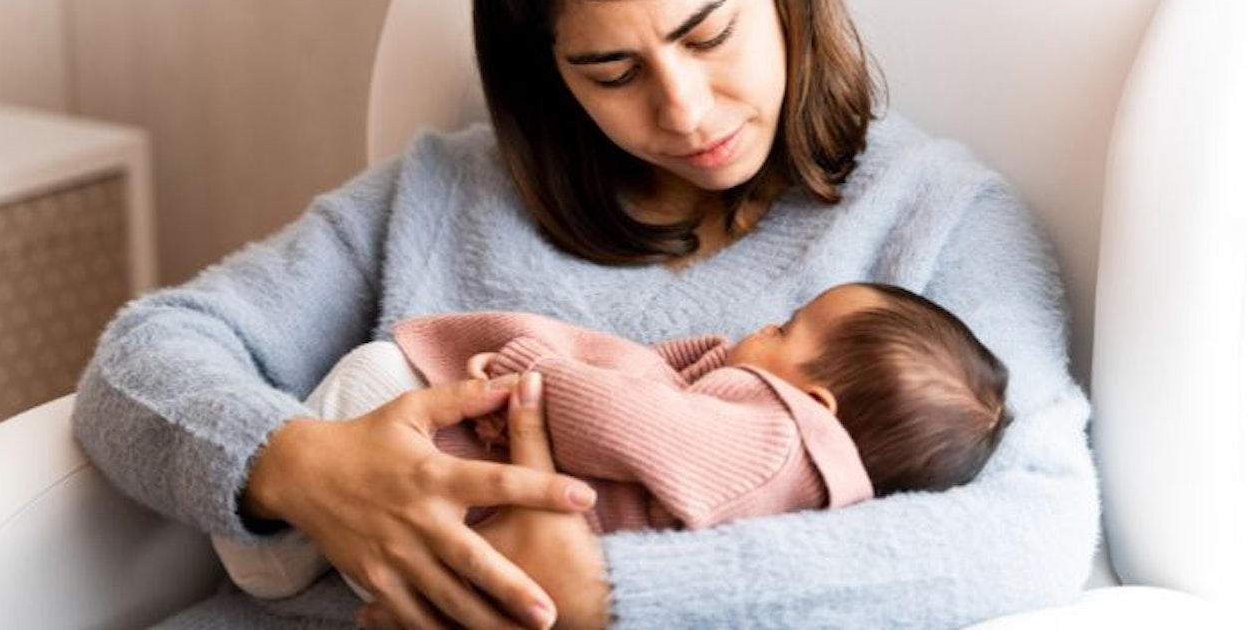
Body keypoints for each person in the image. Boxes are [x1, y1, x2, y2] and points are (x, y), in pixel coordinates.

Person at [73, 0, 1098, 626]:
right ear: (547, 73)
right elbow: (142, 356)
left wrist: (607, 589)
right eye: (611, 70)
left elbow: (1036, 527)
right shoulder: (441, 194)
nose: (685, 111)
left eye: (710, 33)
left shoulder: (942, 223)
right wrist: (302, 468)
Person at [211, 282, 1013, 602]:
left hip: (458, 489)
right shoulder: (811, 499)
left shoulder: (770, 432)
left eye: (784, 328)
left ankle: (267, 550)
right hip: (473, 570)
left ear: (813, 400)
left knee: (376, 371)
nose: (758, 328)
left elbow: (631, 423)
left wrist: (532, 375)